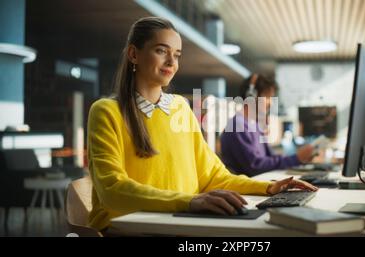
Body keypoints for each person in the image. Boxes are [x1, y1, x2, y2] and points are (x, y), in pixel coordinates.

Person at [87, 17, 317, 232]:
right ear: (133, 54)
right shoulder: (107, 111)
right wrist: (190, 201)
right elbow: (112, 190)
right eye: (161, 51)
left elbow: (213, 176)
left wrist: (269, 188)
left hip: (178, 222)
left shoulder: (180, 107)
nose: (171, 62)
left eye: (177, 55)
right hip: (128, 227)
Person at [220, 74, 315, 176]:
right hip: (246, 189)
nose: (271, 103)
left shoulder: (255, 125)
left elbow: (269, 158)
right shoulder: (237, 125)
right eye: (267, 97)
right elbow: (255, 166)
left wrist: (298, 158)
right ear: (251, 96)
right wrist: (295, 159)